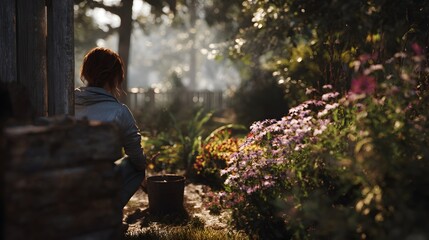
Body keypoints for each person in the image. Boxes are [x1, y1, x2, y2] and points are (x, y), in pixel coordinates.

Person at [74, 47, 146, 208]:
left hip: (66, 178)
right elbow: (135, 154)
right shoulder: (120, 112)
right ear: (115, 77)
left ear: (85, 73)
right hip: (99, 181)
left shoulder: (66, 103)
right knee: (137, 168)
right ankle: (108, 211)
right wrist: (144, 165)